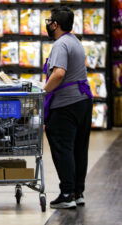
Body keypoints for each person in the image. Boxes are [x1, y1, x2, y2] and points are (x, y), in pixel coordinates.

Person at [43, 6, 93, 209]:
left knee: (62, 147)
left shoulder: (60, 45)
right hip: (83, 101)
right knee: (79, 148)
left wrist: (43, 92)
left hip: (66, 104)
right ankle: (77, 191)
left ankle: (66, 193)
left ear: (56, 24)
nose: (48, 25)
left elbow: (59, 73)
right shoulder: (75, 41)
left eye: (50, 21)